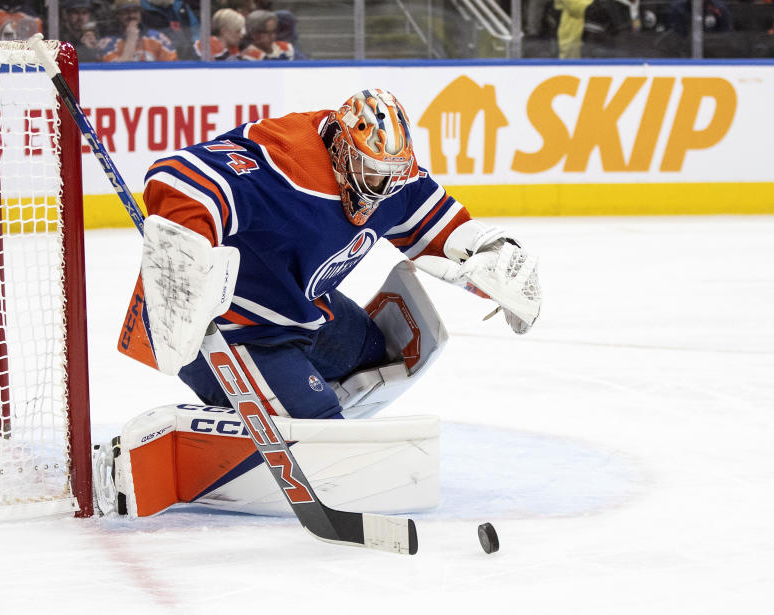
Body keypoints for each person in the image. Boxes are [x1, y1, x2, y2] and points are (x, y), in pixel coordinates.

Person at [108, 89, 541, 516]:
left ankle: (283, 402)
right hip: (223, 326)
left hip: (300, 308)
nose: (383, 188)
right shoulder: (288, 162)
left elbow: (437, 224)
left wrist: (490, 259)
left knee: (380, 357)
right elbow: (175, 175)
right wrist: (183, 263)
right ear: (340, 149)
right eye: (372, 174)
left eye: (392, 175)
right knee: (320, 436)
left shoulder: (392, 177)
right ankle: (229, 437)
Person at [100, 2, 177, 61]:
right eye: (126, 12)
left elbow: (174, 68)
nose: (132, 15)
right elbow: (116, 74)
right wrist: (131, 40)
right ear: (118, 15)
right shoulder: (107, 43)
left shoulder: (157, 38)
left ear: (140, 13)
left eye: (135, 11)